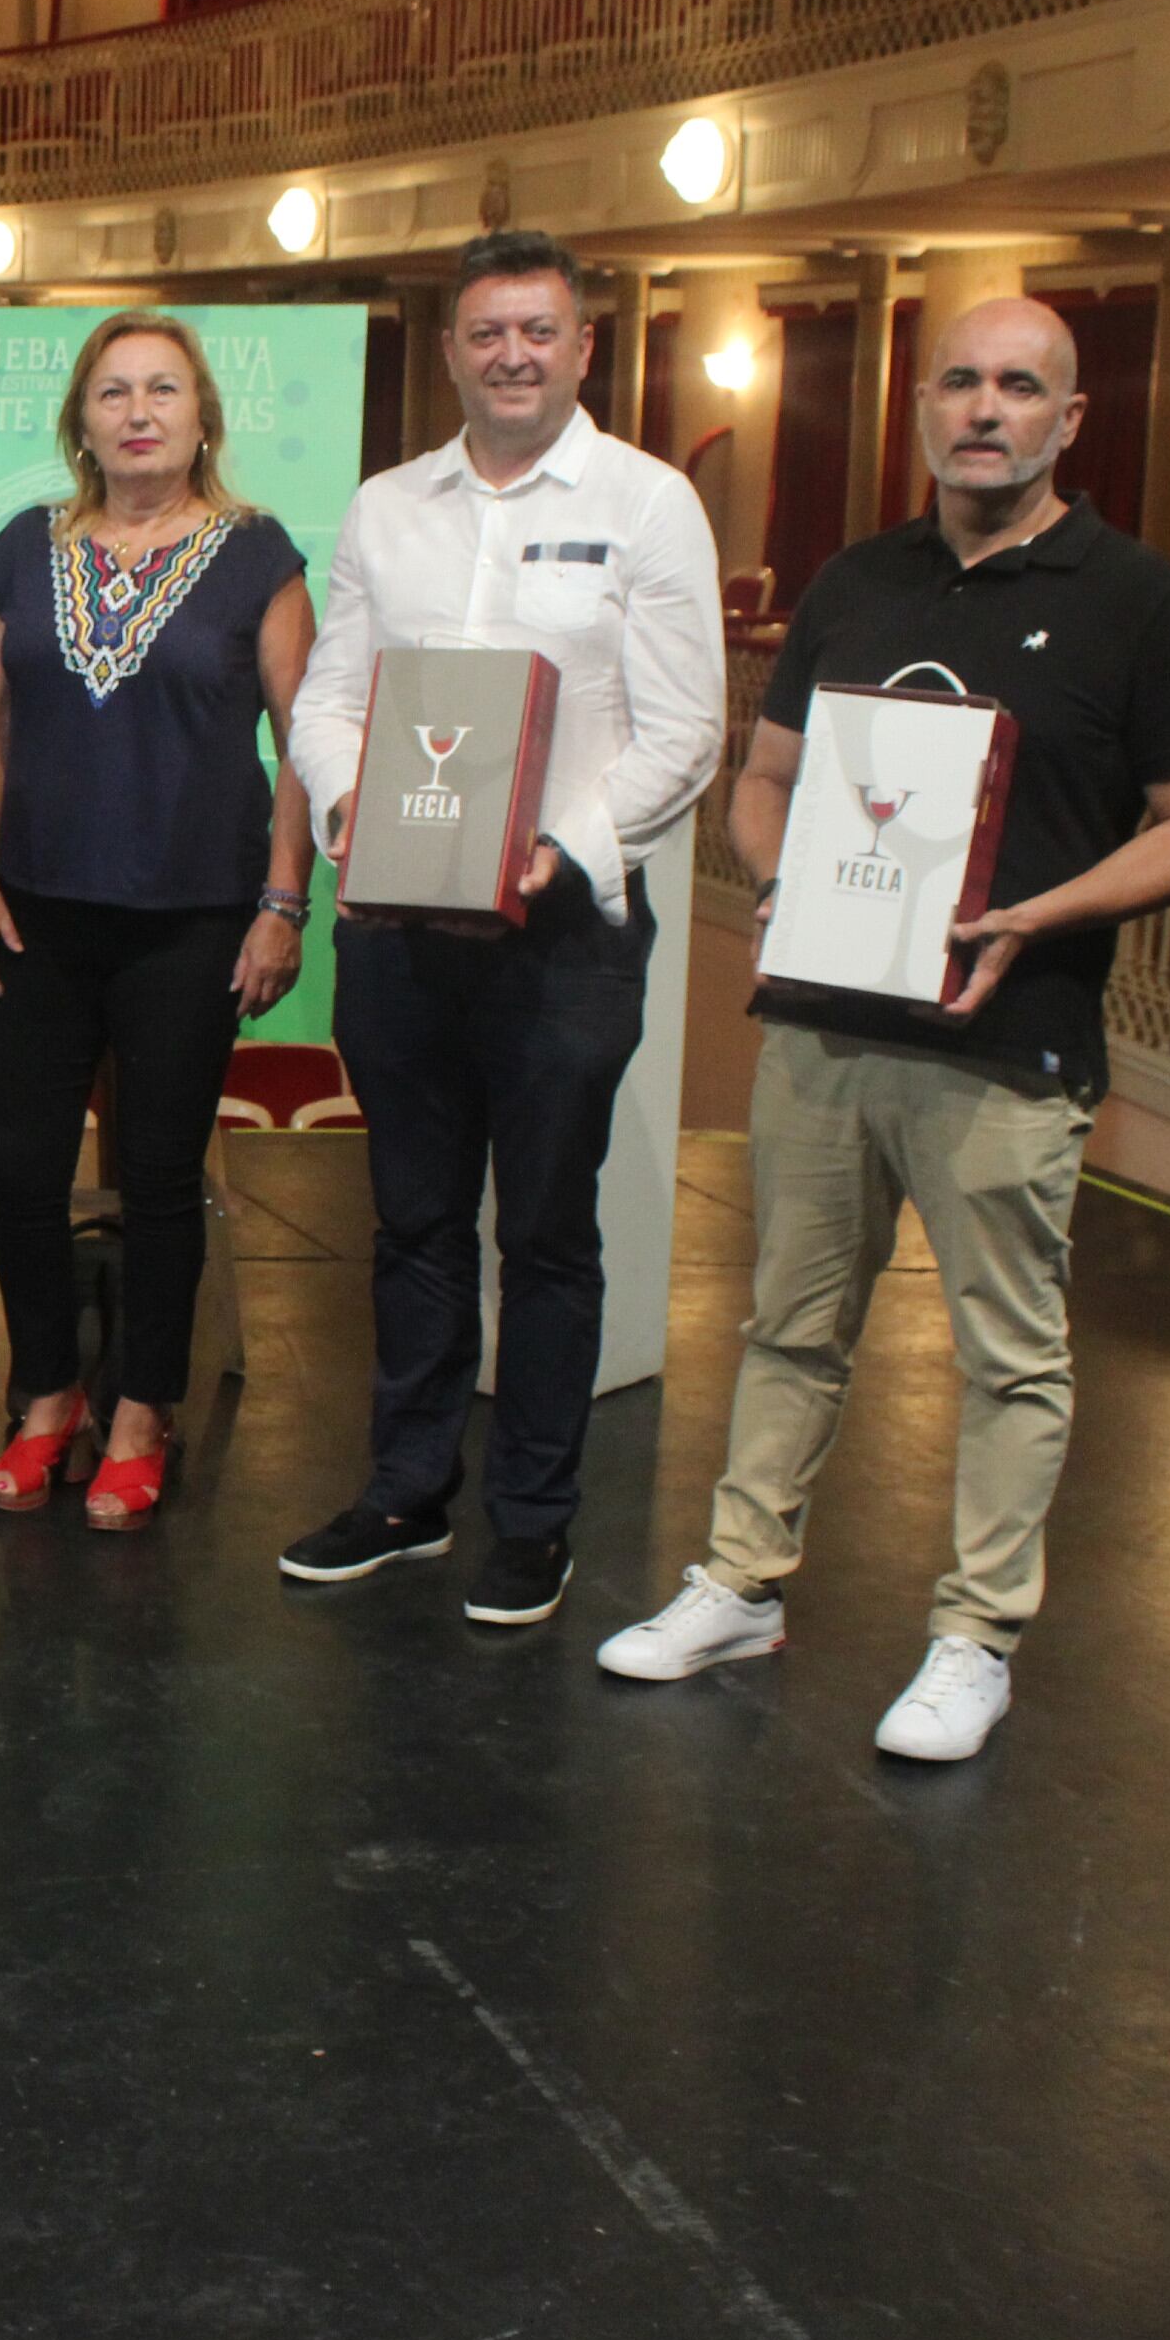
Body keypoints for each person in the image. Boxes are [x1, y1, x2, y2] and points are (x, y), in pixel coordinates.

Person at [596, 297, 1170, 1760]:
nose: (984, 408)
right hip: (826, 1030)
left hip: (1010, 1046)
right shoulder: (857, 579)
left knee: (1009, 1357)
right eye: (959, 380)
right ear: (922, 407)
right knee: (787, 1328)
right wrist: (785, 879)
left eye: (1021, 387)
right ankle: (742, 1586)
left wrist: (1042, 914)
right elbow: (760, 781)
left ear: (1069, 421)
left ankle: (975, 1638)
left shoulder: (1133, 598)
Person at [279, 229, 724, 1627]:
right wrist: (357, 807)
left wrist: (555, 850)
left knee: (544, 1233)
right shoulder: (384, 507)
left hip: (561, 938)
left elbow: (687, 735)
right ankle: (407, 1491)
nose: (513, 355)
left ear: (583, 346)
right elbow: (329, 697)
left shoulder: (650, 506)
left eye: (539, 331)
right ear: (455, 351)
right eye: (486, 334)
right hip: (402, 927)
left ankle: (533, 1520)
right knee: (410, 1221)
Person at [0, 311, 316, 1529]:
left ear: (203, 414)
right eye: (115, 392)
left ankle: (144, 1411)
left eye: (164, 388)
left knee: (160, 1178)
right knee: (19, 1176)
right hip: (40, 916)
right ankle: (47, 1396)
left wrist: (282, 901)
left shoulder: (258, 556)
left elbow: (302, 742)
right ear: (82, 419)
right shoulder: (22, 549)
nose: (140, 410)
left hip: (196, 920)